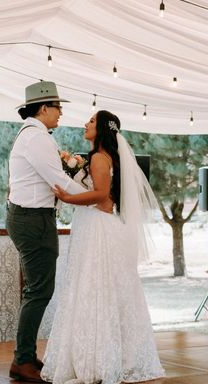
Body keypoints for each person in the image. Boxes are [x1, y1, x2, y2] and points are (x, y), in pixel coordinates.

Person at [41, 110, 164, 384]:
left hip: (97, 228)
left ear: (103, 130)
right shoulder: (105, 157)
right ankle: (116, 355)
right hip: (96, 226)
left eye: (92, 121)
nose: (86, 124)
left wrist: (66, 196)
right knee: (101, 289)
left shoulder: (98, 157)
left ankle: (95, 359)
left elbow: (101, 196)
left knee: (93, 287)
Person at [7, 81, 86, 384]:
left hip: (31, 217)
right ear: (43, 108)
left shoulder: (34, 136)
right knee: (39, 290)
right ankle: (22, 360)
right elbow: (58, 180)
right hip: (33, 219)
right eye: (58, 108)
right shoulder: (37, 139)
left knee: (38, 289)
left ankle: (25, 356)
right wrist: (94, 198)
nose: (61, 114)